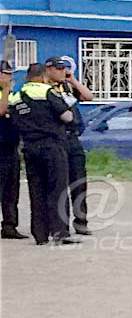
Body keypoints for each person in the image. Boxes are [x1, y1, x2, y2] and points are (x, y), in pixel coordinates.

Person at [7, 64, 78, 245]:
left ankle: (40, 234)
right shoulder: (47, 92)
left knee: (36, 191)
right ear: (43, 76)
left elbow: (13, 120)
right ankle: (60, 232)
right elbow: (67, 117)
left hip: (30, 148)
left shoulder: (16, 97)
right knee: (57, 189)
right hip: (52, 146)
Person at [45, 56, 94, 235]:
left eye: (63, 69)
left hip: (73, 139)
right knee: (58, 184)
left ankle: (81, 221)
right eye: (58, 69)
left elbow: (89, 96)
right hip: (56, 139)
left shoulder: (67, 87)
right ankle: (58, 223)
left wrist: (72, 80)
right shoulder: (45, 89)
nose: (61, 72)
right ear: (49, 69)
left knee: (79, 182)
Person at [0, 61, 27, 239]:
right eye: (6, 74)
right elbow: (2, 111)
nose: (10, 78)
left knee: (11, 189)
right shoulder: (5, 94)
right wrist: (5, 90)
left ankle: (9, 226)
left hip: (11, 147)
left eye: (11, 74)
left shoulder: (13, 95)